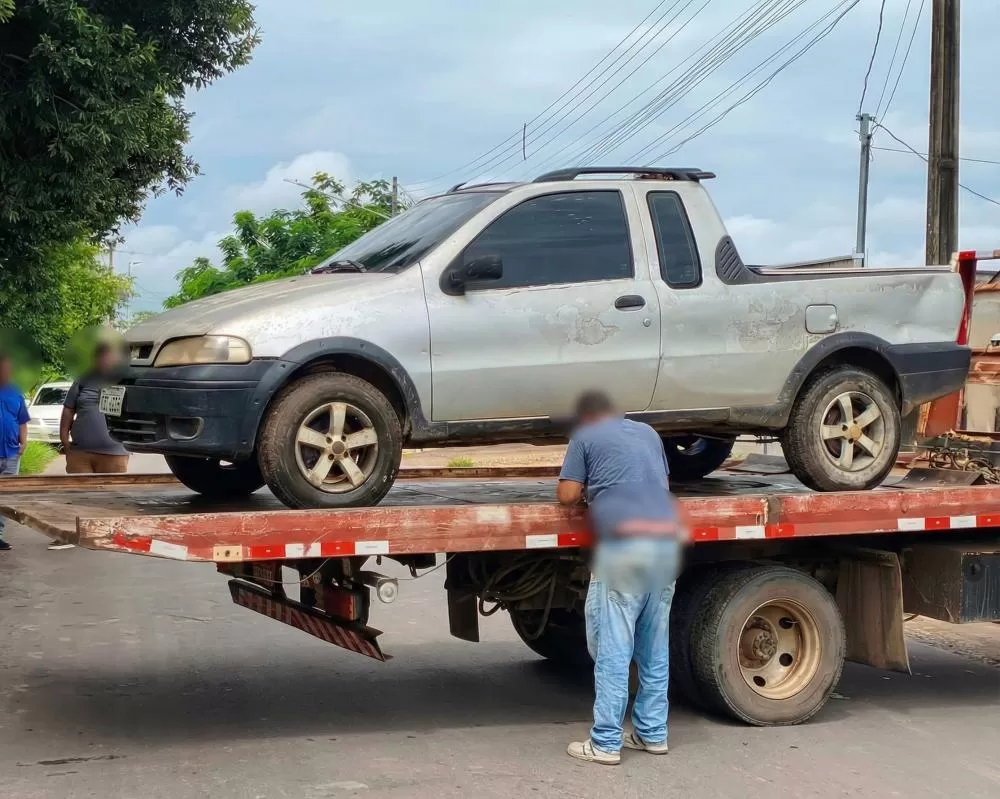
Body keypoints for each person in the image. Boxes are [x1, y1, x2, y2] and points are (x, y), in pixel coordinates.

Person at [557, 390, 683, 766]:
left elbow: (567, 494)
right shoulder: (648, 433)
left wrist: (586, 492)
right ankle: (652, 733)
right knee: (653, 647)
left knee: (612, 648)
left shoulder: (585, 436)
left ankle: (606, 743)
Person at [54, 342, 130, 550]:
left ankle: (109, 536)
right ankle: (72, 535)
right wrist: (64, 439)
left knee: (112, 497)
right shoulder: (84, 379)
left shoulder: (125, 380)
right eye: (102, 357)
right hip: (81, 451)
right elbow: (68, 410)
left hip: (114, 451)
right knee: (79, 495)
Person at [0, 353, 30, 551]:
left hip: (11, 453)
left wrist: (24, 442)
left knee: (5, 497)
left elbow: (22, 421)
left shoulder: (16, 392)